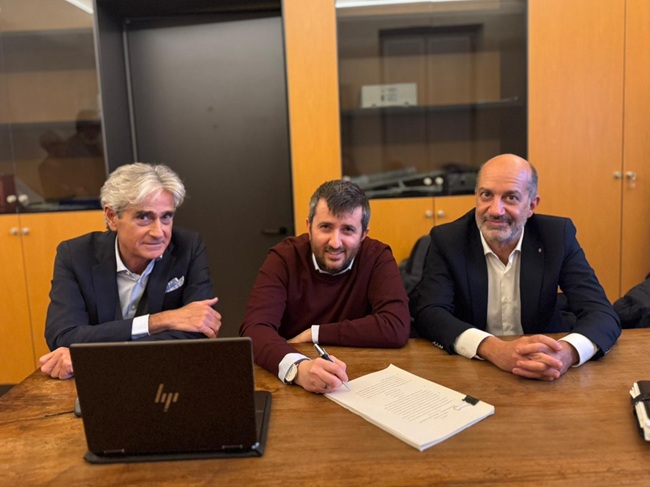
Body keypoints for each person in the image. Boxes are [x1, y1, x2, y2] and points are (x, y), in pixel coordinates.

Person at [411, 153, 621, 381]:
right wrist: (493, 349)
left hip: (546, 366)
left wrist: (566, 353)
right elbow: (430, 313)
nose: (495, 210)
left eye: (510, 197)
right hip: (474, 369)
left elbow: (601, 312)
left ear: (531, 205)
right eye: (486, 195)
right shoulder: (448, 240)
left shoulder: (556, 236)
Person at [39, 163, 222, 380]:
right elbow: (63, 336)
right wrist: (160, 321)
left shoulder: (188, 247)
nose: (159, 232)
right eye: (143, 217)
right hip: (97, 383)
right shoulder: (75, 255)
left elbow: (199, 331)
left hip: (166, 377)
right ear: (111, 217)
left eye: (166, 217)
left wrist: (97, 356)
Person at [240, 180, 410, 394]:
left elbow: (396, 325)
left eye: (348, 230)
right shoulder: (284, 257)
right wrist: (298, 368)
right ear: (309, 227)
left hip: (359, 382)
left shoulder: (377, 257)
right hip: (292, 384)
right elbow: (255, 328)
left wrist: (315, 333)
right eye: (326, 227)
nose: (335, 242)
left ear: (363, 235)